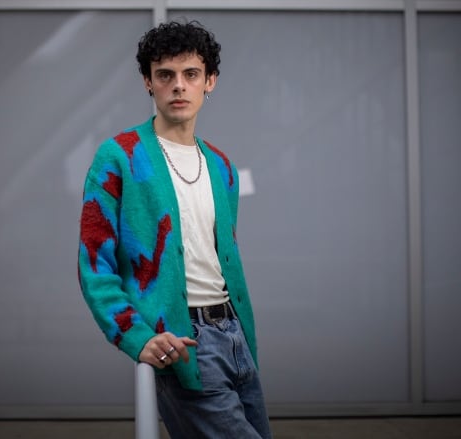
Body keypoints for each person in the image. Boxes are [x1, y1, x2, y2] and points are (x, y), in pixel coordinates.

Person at [77, 20, 271, 439]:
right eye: (165, 75)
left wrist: (242, 337)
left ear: (210, 82)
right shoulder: (120, 156)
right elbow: (94, 261)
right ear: (148, 82)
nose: (178, 86)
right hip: (184, 341)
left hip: (236, 335)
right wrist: (134, 334)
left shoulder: (222, 166)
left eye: (191, 74)